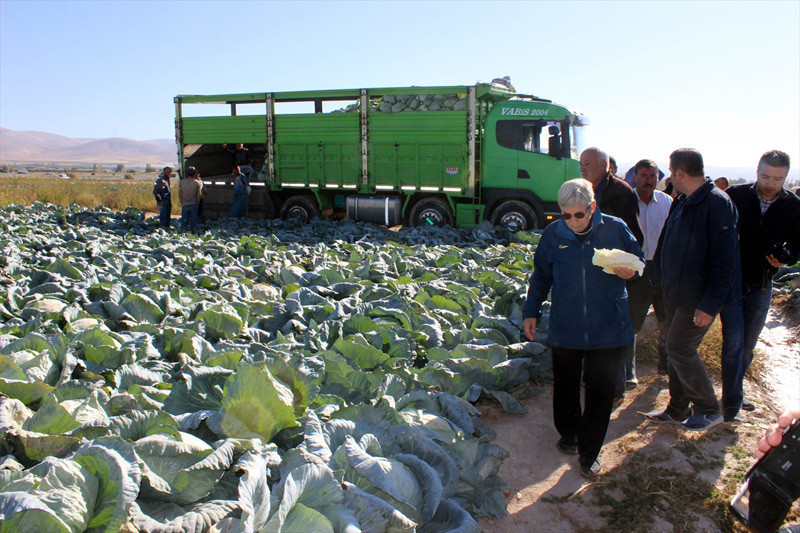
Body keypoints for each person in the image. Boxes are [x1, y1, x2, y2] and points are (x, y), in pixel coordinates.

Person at [523, 178, 643, 480]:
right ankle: (569, 433)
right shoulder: (553, 235)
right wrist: (531, 311)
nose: (573, 220)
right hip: (568, 324)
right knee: (565, 385)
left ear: (593, 207)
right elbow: (541, 277)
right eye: (566, 215)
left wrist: (630, 271)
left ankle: (590, 453)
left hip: (609, 327)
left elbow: (639, 262)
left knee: (601, 392)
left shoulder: (615, 229)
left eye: (579, 214)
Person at [648, 148, 741, 431]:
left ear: (680, 173)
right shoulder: (683, 200)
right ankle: (677, 409)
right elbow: (666, 241)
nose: (669, 177)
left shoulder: (717, 203)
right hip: (674, 292)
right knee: (674, 348)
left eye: (670, 172)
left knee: (679, 347)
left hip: (697, 296)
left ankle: (709, 409)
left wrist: (710, 304)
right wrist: (657, 277)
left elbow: (725, 260)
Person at [722, 151, 800, 421]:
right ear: (757, 171)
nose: (770, 183)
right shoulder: (735, 195)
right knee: (733, 343)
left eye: (778, 179)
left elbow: (797, 245)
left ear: (786, 177)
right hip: (731, 282)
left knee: (747, 346)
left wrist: (786, 258)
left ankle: (734, 392)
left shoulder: (793, 205)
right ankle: (731, 405)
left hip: (763, 284)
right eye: (766, 176)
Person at [580, 147, 644, 404]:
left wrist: (620, 265)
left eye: (588, 163)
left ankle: (615, 386)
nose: (583, 168)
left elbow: (633, 237)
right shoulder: (583, 190)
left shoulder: (621, 192)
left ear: (604, 164)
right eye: (581, 163)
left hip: (611, 272)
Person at [622, 160, 672, 389]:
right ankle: (629, 373)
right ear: (635, 177)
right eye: (644, 175)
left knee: (667, 320)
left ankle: (666, 367)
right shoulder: (626, 202)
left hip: (662, 268)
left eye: (653, 176)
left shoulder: (667, 202)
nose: (649, 180)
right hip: (636, 270)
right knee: (632, 322)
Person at [180, 166, 203, 232]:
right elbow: (198, 195)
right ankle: (193, 233)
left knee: (184, 222)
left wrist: (182, 202)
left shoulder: (182, 182)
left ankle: (183, 233)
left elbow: (180, 194)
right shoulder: (197, 183)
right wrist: (197, 202)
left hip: (185, 204)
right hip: (193, 204)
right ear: (194, 174)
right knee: (193, 222)